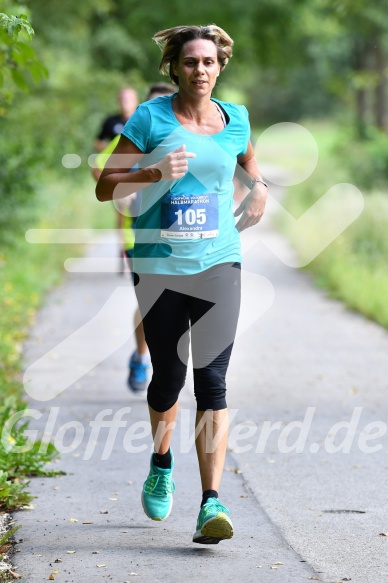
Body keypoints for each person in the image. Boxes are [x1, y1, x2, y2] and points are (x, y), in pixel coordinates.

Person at [96, 25, 268, 545]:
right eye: (190, 62)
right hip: (160, 267)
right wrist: (151, 174)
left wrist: (258, 187)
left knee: (212, 380)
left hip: (220, 263)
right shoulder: (149, 118)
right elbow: (106, 185)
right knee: (168, 378)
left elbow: (248, 160)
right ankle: (161, 462)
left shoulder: (234, 118)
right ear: (174, 68)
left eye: (209, 62)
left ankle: (211, 503)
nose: (200, 70)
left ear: (221, 67)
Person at [92, 82, 175, 392]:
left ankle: (171, 364)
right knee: (151, 302)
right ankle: (142, 357)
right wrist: (120, 193)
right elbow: (100, 170)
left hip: (181, 238)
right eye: (154, 106)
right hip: (138, 235)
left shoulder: (188, 139)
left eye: (167, 105)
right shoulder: (133, 136)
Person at [94, 87, 139, 152]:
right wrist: (111, 147)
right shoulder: (110, 121)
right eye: (123, 99)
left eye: (129, 99)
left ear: (136, 101)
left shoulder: (143, 123)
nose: (125, 102)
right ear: (118, 101)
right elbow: (97, 143)